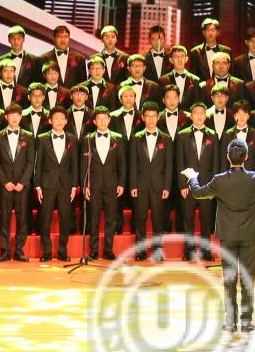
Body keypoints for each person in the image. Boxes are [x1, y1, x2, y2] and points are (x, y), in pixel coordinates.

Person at [185, 139, 255, 333]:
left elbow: (198, 193)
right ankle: (246, 322)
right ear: (246, 157)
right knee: (247, 278)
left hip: (227, 235)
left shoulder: (220, 180)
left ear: (228, 157)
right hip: (248, 235)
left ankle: (230, 322)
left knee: (229, 279)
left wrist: (192, 177)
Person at [128, 102, 173, 262]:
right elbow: (132, 163)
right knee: (140, 219)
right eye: (148, 116)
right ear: (143, 118)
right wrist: (133, 185)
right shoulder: (136, 138)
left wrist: (167, 186)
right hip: (140, 184)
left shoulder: (166, 139)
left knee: (158, 220)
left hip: (159, 185)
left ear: (158, 117)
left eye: (154, 116)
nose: (151, 119)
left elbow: (169, 165)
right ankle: (140, 251)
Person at [176, 101, 220, 261]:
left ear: (206, 116)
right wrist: (182, 184)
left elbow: (216, 163)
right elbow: (180, 162)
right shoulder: (182, 135)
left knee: (206, 220)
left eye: (202, 113)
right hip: (188, 185)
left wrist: (214, 186)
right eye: (196, 113)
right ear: (191, 116)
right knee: (187, 219)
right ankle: (188, 251)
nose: (199, 116)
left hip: (207, 185)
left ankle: (206, 252)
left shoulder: (213, 135)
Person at [34, 106, 79, 262]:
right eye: (56, 119)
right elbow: (38, 163)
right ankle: (46, 252)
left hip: (66, 185)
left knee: (65, 220)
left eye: (62, 119)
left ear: (66, 121)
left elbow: (75, 164)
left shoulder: (73, 139)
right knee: (45, 219)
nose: (59, 121)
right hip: (47, 184)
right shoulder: (42, 139)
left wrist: (74, 186)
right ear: (50, 121)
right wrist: (37, 185)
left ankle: (62, 251)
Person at [0, 104, 35, 262]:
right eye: (11, 115)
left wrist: (22, 182)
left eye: (17, 115)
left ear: (21, 117)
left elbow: (31, 162)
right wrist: (5, 182)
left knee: (22, 219)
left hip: (22, 185)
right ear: (6, 117)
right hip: (5, 185)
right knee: (4, 218)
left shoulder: (29, 136)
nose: (15, 118)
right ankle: (4, 251)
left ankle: (19, 250)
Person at [82, 107, 126, 260]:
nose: (102, 121)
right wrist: (85, 186)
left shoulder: (118, 138)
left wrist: (121, 183)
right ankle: (94, 250)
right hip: (93, 184)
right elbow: (83, 165)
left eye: (104, 118)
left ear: (109, 120)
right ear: (94, 121)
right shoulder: (87, 139)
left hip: (112, 184)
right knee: (93, 219)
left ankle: (108, 250)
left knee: (111, 219)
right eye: (99, 119)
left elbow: (122, 163)